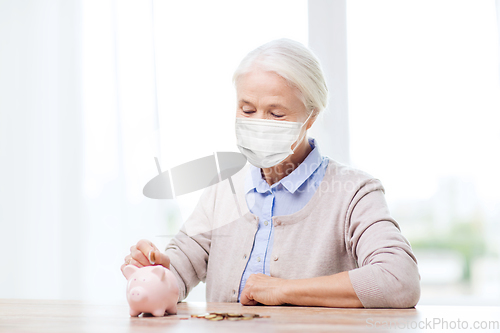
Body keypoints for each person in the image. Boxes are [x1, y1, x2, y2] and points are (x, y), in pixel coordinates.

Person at [121, 38, 420, 308]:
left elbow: (399, 279)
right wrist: (156, 270)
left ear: (311, 115)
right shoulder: (224, 190)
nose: (259, 123)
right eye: (247, 110)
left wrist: (285, 290)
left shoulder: (353, 193)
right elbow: (178, 270)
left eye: (276, 114)